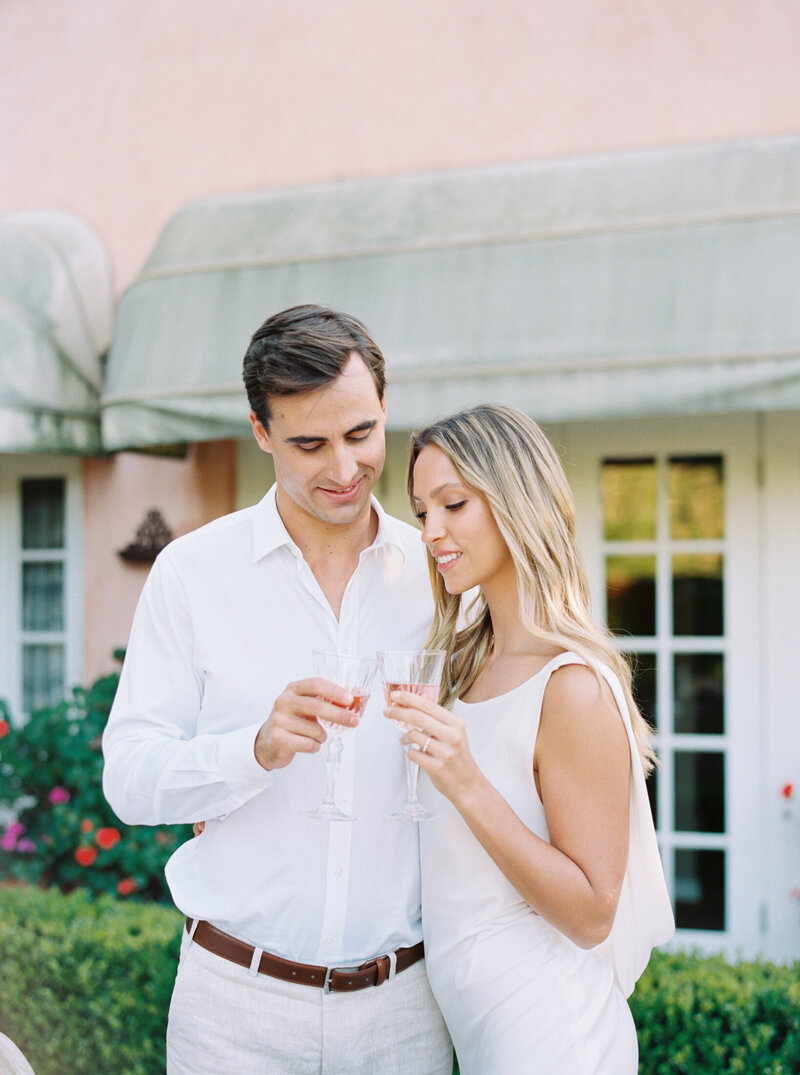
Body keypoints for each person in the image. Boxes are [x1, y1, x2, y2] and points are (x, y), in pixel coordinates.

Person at [102, 305, 452, 1075]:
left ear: (385, 410)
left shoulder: (441, 575)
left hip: (405, 1012)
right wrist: (251, 750)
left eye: (361, 434)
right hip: (235, 1012)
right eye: (308, 443)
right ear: (261, 432)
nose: (343, 467)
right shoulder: (192, 574)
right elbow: (128, 778)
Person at [385, 404, 675, 1075]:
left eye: (453, 503)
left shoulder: (570, 685)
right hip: (475, 1026)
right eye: (422, 510)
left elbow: (591, 913)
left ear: (517, 500)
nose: (431, 530)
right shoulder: (457, 666)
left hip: (550, 1033)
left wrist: (468, 784)